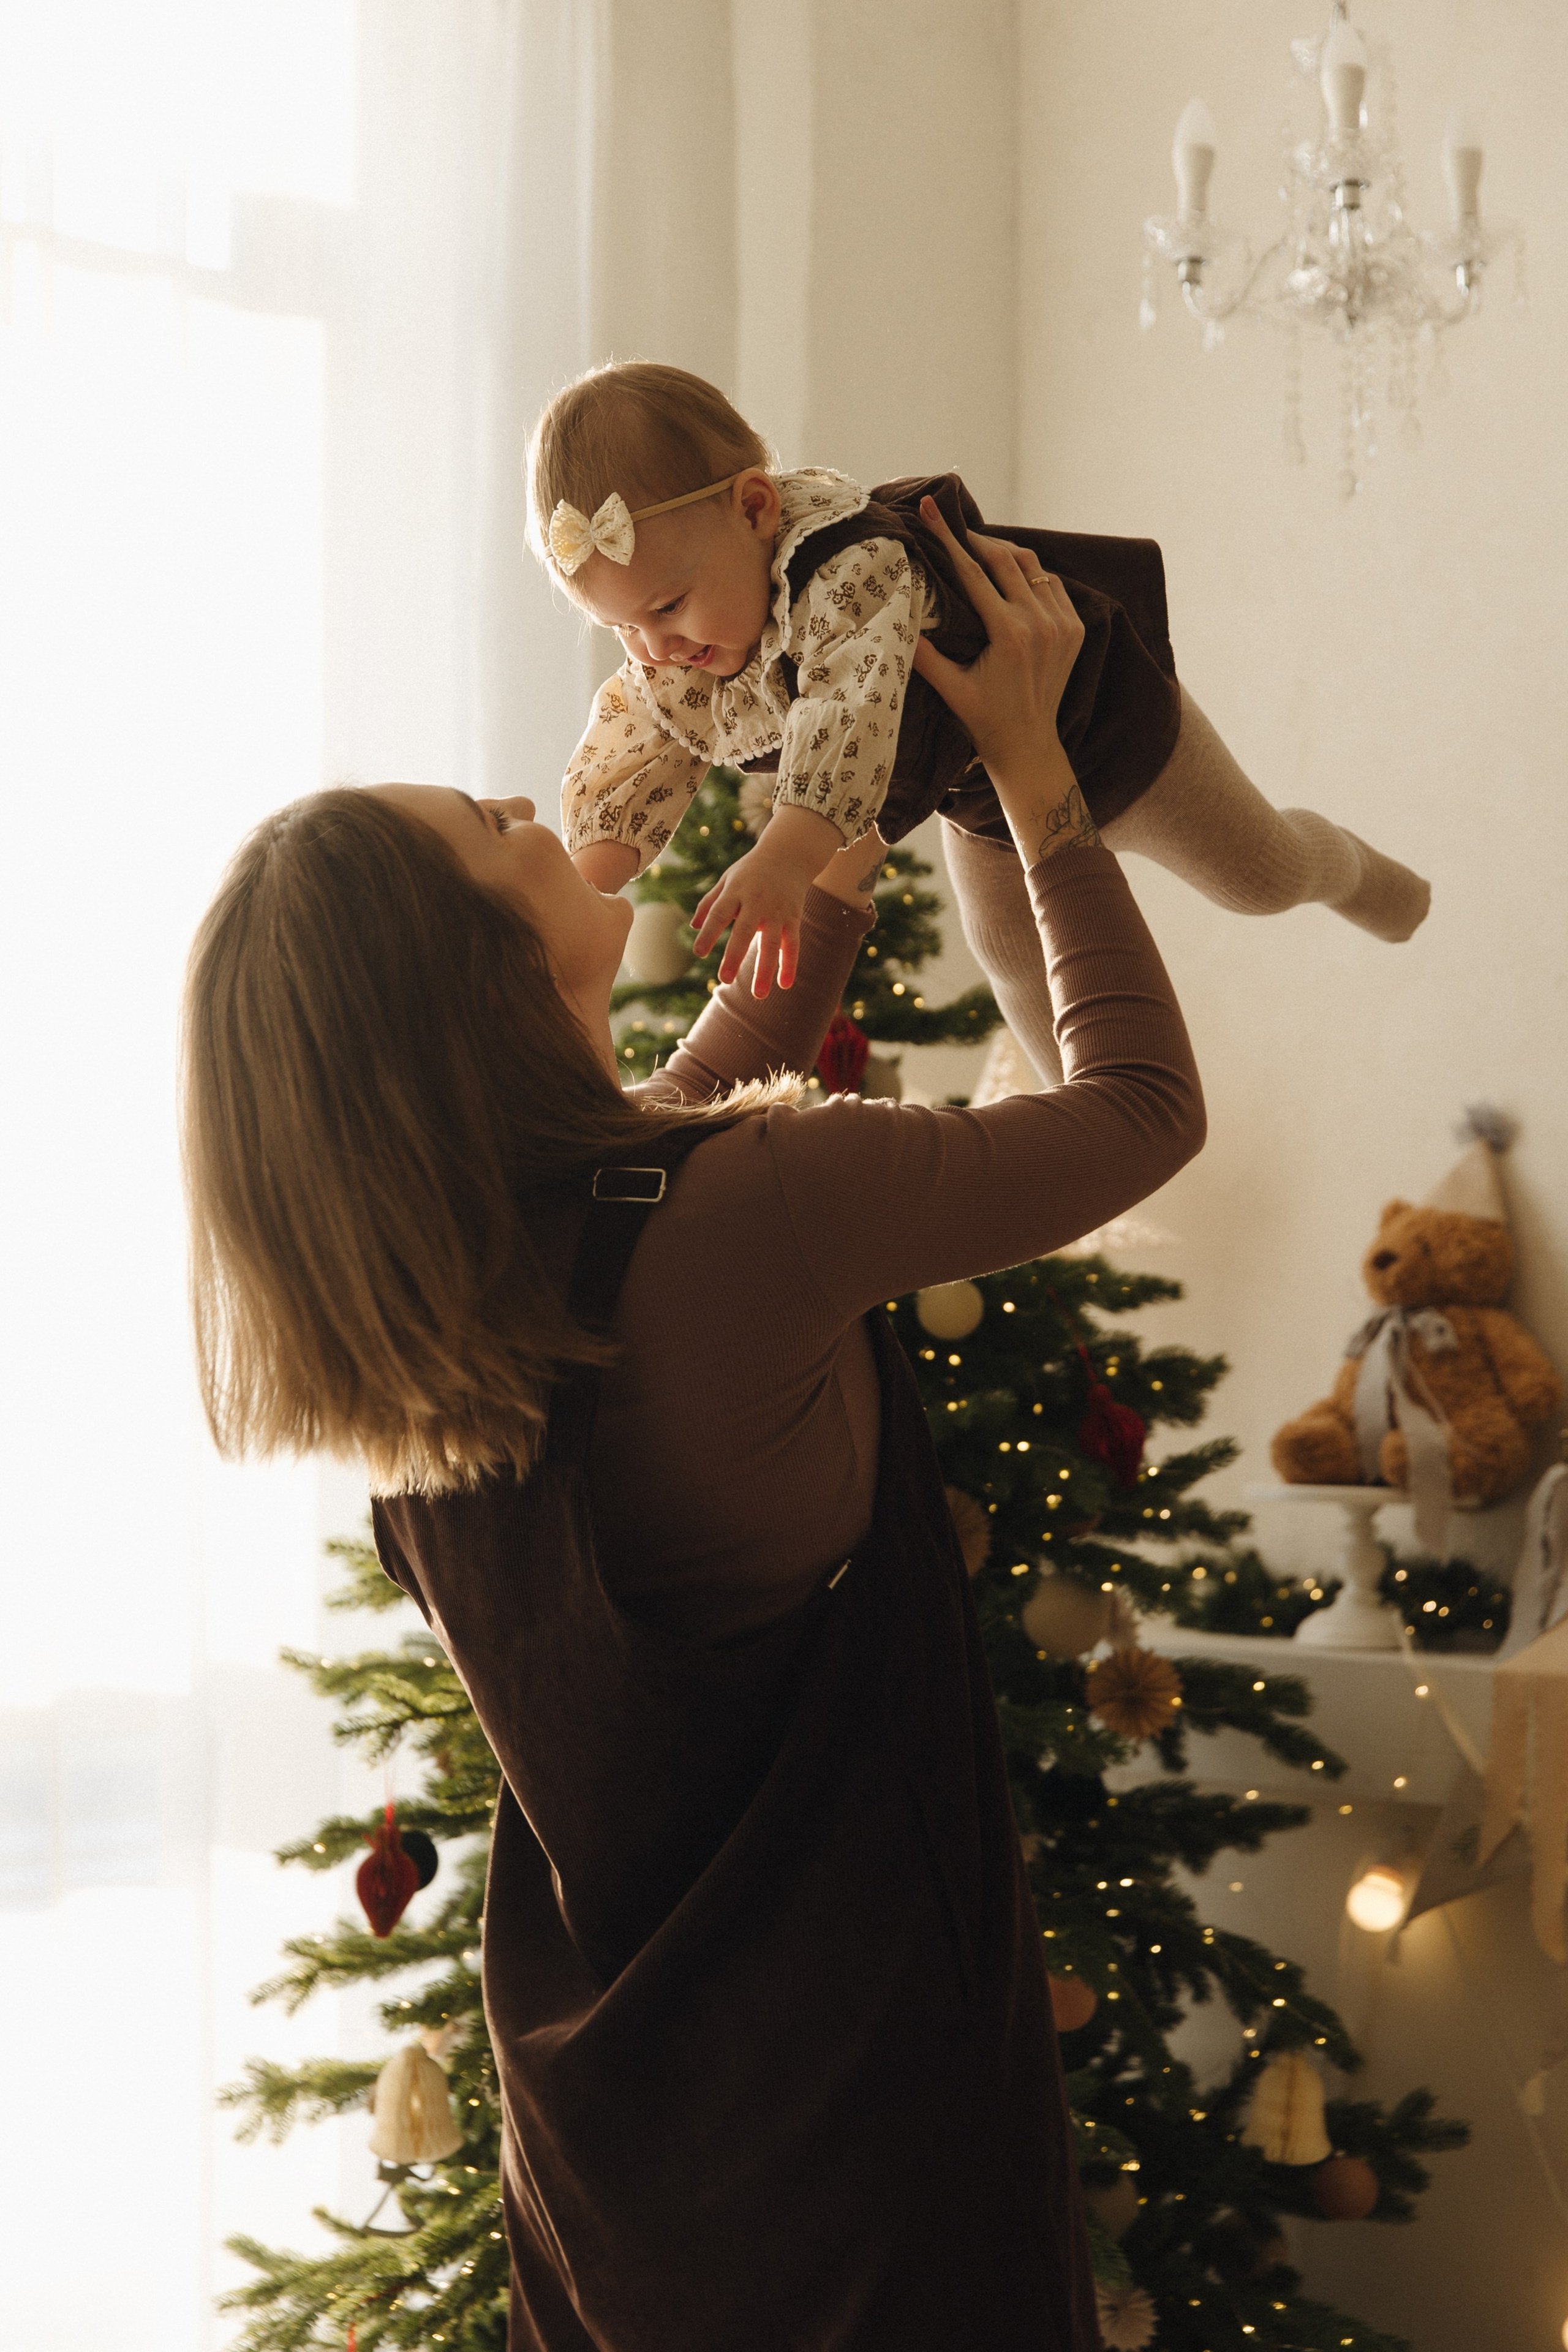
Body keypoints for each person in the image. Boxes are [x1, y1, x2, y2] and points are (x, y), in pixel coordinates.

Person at [182, 516, 1205, 2350]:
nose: (536, 802)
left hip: (619, 2144)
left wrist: (853, 788)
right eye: (496, 830)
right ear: (479, 976)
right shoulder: (732, 1213)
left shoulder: (440, 1324)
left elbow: (714, 1078)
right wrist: (1040, 787)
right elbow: (1138, 1111)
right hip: (863, 2128)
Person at [530, 360, 1428, 1082]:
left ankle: (1356, 873)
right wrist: (584, 884)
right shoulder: (679, 642)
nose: (652, 647)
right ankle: (1081, 1120)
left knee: (1259, 874)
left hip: (1103, 722)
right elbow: (636, 740)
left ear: (758, 509)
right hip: (979, 782)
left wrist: (786, 853)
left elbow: (849, 711)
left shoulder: (853, 567)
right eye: (621, 627)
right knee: (1005, 950)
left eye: (668, 606)